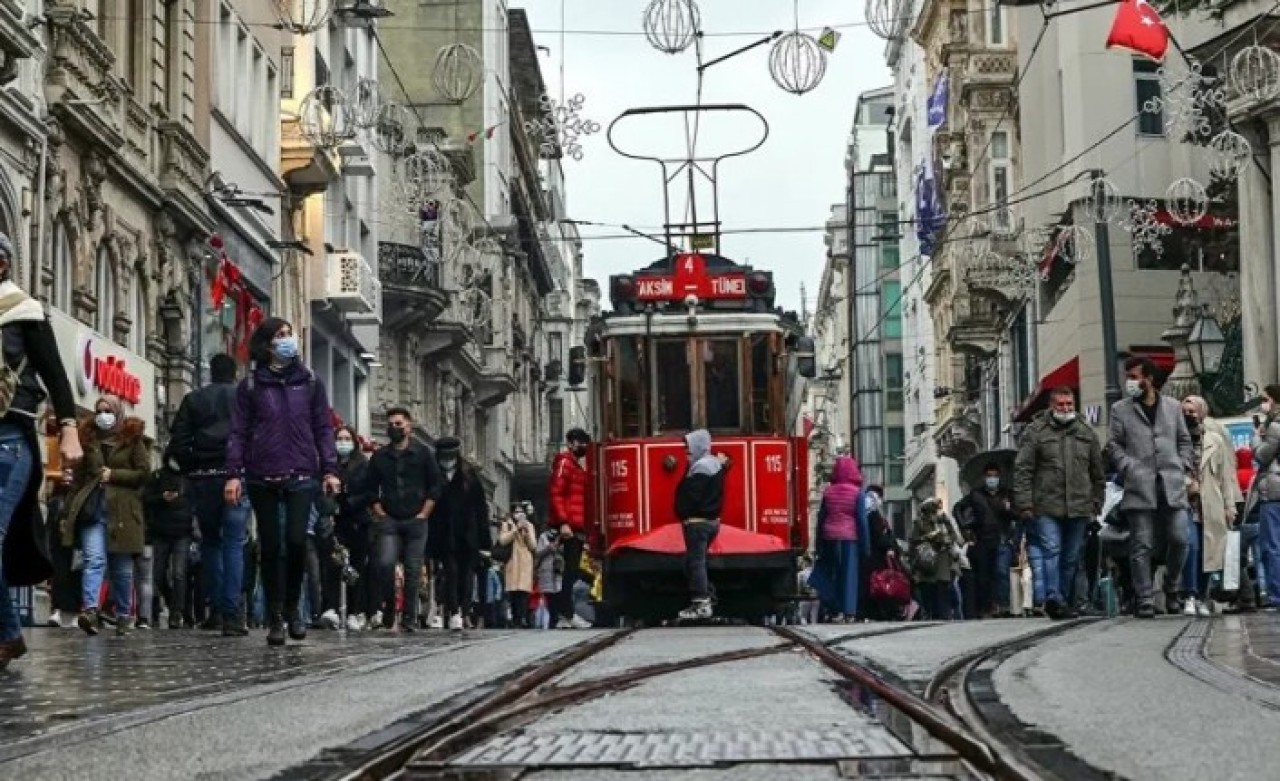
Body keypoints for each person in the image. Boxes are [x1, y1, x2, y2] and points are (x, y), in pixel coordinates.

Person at [225, 318, 341, 646]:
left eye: (290, 334)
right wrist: (233, 474)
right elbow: (238, 432)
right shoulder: (251, 386)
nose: (288, 340)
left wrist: (330, 469)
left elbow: (323, 428)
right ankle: (275, 614)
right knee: (271, 546)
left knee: (296, 541)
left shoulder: (311, 383)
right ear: (267, 344)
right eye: (280, 335)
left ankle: (293, 607)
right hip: (262, 474)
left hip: (302, 473)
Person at [0, 233, 81, 669]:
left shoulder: (24, 311)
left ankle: (8, 635)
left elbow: (56, 376)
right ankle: (9, 635)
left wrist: (69, 430)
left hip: (10, 439)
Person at [167, 353, 250, 635]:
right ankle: (231, 613)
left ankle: (214, 609)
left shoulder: (194, 400)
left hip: (203, 477)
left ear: (210, 373)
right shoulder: (243, 398)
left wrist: (192, 467)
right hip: (235, 476)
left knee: (211, 542)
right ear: (234, 373)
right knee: (234, 542)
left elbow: (178, 440)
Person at [1106, 357, 1194, 619]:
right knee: (1141, 543)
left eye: (1134, 377)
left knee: (1180, 538)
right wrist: (1128, 467)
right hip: (1139, 484)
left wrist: (1182, 464)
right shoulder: (1120, 409)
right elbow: (1114, 444)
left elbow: (1184, 440)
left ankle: (1172, 586)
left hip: (1171, 483)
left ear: (1149, 379)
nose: (1129, 382)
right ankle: (1144, 597)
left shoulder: (1173, 407)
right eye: (1128, 377)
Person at [62, 396, 151, 635]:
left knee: (121, 569)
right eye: (99, 410)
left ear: (118, 412)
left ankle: (123, 615)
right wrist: (67, 512)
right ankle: (90, 610)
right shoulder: (87, 438)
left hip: (123, 512)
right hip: (93, 510)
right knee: (94, 560)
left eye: (108, 410)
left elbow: (144, 473)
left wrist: (114, 475)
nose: (103, 415)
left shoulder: (133, 438)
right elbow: (78, 479)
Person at [1013, 386, 1105, 619]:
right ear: (1051, 406)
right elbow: (1023, 469)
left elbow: (1097, 472)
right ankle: (1054, 597)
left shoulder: (1086, 432)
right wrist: (1025, 503)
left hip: (1079, 506)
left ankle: (1061, 599)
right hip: (1046, 505)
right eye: (1061, 404)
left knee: (1071, 557)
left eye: (1069, 404)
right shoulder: (1036, 431)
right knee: (1052, 550)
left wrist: (1097, 500)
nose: (1065, 408)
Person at [363, 407, 444, 631]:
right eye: (390, 424)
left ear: (409, 426)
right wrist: (379, 511)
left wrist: (424, 513)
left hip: (416, 519)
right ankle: (390, 606)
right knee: (385, 563)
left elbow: (436, 485)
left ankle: (410, 617)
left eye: (398, 424)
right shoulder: (380, 456)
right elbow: (370, 488)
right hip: (390, 519)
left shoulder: (423, 453)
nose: (394, 428)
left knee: (412, 568)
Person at [1182, 395, 1241, 615]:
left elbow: (1226, 476)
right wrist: (1186, 483)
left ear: (1202, 413)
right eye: (1184, 412)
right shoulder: (1177, 438)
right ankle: (1189, 594)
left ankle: (1201, 596)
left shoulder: (1215, 440)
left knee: (1210, 552)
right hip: (1186, 504)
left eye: (1192, 411)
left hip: (1210, 504)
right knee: (1191, 546)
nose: (1188, 415)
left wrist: (1230, 506)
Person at [427, 437, 492, 631]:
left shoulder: (469, 476)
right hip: (444, 534)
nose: (447, 461)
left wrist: (485, 542)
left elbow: (481, 510)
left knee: (466, 574)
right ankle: (454, 611)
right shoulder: (433, 475)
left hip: (467, 534)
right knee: (451, 572)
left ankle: (464, 610)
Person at [674, 429, 729, 620]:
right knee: (693, 562)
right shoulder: (712, 464)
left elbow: (692, 495)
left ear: (698, 447)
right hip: (709, 521)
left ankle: (701, 603)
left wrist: (684, 512)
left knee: (696, 563)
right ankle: (707, 596)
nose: (686, 452)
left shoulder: (701, 468)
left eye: (689, 448)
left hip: (698, 522)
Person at [954, 463, 1019, 619]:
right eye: (989, 476)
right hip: (982, 539)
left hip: (1002, 539)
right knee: (983, 576)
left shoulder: (1007, 494)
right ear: (984, 477)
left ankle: (1003, 605)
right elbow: (957, 508)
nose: (992, 479)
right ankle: (985, 607)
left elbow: (1018, 514)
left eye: (995, 476)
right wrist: (965, 529)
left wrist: (1009, 509)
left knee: (1001, 572)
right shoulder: (976, 495)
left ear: (999, 477)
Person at [808, 455, 867, 621]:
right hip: (850, 538)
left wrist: (818, 543)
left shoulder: (828, 492)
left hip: (829, 537)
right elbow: (861, 521)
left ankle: (835, 610)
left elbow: (821, 518)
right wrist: (865, 545)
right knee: (849, 575)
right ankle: (849, 611)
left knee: (832, 574)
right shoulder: (858, 493)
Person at [548, 427, 593, 628]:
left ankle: (565, 614)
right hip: (570, 526)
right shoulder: (565, 463)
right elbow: (556, 493)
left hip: (577, 526)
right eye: (579, 442)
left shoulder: (576, 466)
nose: (583, 446)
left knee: (572, 571)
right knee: (570, 571)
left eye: (584, 442)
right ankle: (566, 613)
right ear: (570, 443)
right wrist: (563, 522)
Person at [141, 460, 195, 628]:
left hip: (183, 532)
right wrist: (161, 498)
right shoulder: (157, 476)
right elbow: (145, 498)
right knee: (158, 574)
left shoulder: (188, 478)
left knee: (179, 573)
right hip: (161, 531)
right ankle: (170, 605)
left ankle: (177, 612)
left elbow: (195, 502)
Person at [331, 424, 373, 631]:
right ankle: (332, 608)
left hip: (357, 521)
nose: (343, 443)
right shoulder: (330, 465)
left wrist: (350, 502)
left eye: (347, 439)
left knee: (356, 567)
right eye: (339, 439)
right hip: (335, 520)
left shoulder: (363, 465)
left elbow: (369, 492)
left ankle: (355, 611)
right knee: (333, 564)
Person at [1249, 384, 1280, 610]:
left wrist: (1256, 439)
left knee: (1272, 546)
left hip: (1274, 490)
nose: (1262, 404)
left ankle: (1276, 595)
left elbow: (1262, 455)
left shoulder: (1275, 425)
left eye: (1265, 399)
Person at [910, 498, 954, 620]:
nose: (935, 514)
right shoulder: (920, 523)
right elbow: (914, 541)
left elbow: (953, 536)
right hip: (928, 562)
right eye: (932, 511)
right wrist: (927, 538)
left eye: (936, 511)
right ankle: (930, 614)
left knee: (942, 589)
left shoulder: (944, 522)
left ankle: (944, 615)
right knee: (929, 591)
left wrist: (947, 539)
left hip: (943, 560)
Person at [498, 508, 537, 628]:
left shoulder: (529, 525)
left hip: (525, 562)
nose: (519, 514)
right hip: (512, 561)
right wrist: (516, 530)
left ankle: (522, 617)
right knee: (513, 591)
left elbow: (533, 545)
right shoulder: (507, 524)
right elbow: (502, 541)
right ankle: (515, 618)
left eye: (521, 512)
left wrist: (526, 531)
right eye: (516, 512)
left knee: (523, 591)